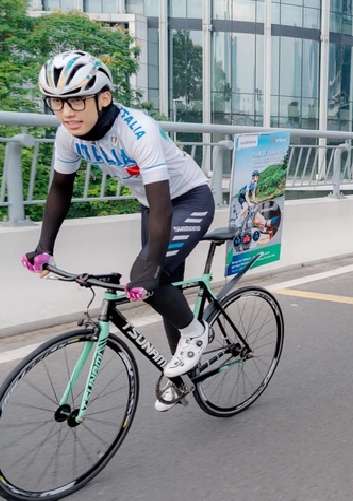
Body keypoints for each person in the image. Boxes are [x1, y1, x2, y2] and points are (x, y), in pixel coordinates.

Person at [21, 50, 216, 411]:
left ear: (104, 98)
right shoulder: (68, 137)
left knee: (149, 278)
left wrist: (151, 269)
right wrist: (43, 247)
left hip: (187, 199)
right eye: (57, 102)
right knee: (164, 289)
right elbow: (61, 188)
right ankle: (179, 373)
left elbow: (163, 204)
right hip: (152, 207)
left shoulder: (137, 130)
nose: (67, 112)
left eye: (77, 100)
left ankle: (197, 332)